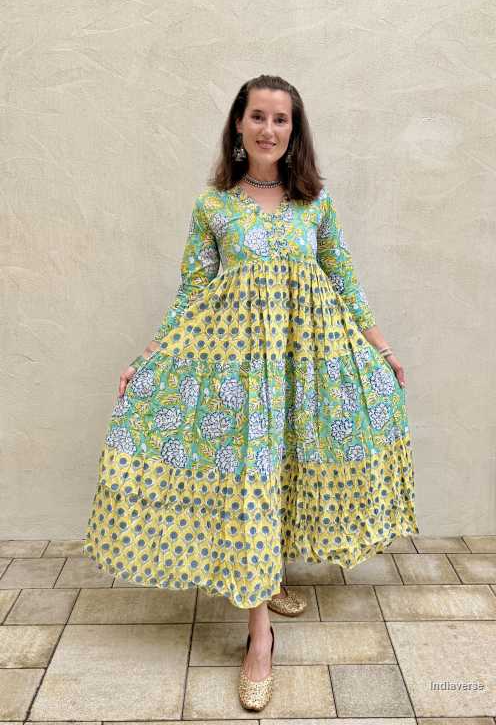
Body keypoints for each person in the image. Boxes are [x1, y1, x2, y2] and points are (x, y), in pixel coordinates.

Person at [82, 74, 419, 712]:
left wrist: (381, 348)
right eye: (258, 116)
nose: (268, 129)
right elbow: (192, 292)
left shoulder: (315, 204)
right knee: (252, 479)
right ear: (239, 124)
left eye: (280, 119)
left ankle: (269, 578)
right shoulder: (214, 206)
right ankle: (259, 639)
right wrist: (147, 358)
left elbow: (342, 277)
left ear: (294, 130)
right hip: (238, 366)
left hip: (306, 358)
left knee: (283, 469)